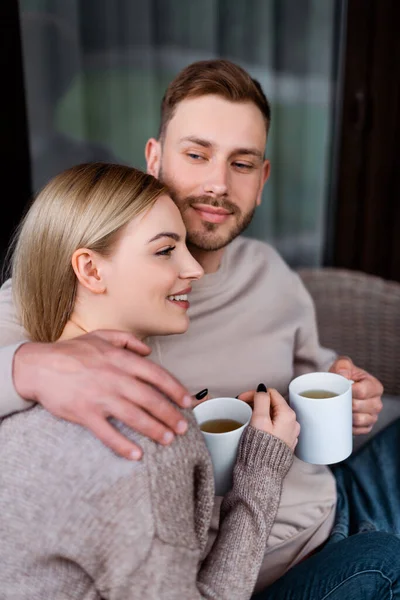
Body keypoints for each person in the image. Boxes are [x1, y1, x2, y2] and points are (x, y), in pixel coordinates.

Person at [0, 60, 399, 598]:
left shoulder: (270, 274)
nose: (217, 183)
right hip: (260, 567)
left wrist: (349, 393)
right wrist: (28, 365)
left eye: (242, 163)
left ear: (263, 181)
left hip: (332, 500)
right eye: (196, 154)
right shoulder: (72, 295)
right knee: (384, 561)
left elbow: (314, 379)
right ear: (154, 158)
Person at [0, 162, 298, 599]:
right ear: (91, 270)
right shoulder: (144, 439)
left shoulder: (20, 397)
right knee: (380, 561)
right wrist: (261, 472)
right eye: (165, 250)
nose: (194, 268)